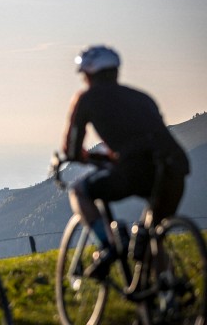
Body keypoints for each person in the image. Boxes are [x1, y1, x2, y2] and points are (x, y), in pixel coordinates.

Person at [62, 45, 190, 279]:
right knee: (151, 237)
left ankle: (107, 244)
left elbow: (71, 150)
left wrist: (93, 157)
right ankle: (166, 296)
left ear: (88, 75)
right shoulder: (142, 97)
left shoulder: (85, 98)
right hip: (174, 169)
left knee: (79, 191)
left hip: (135, 170)